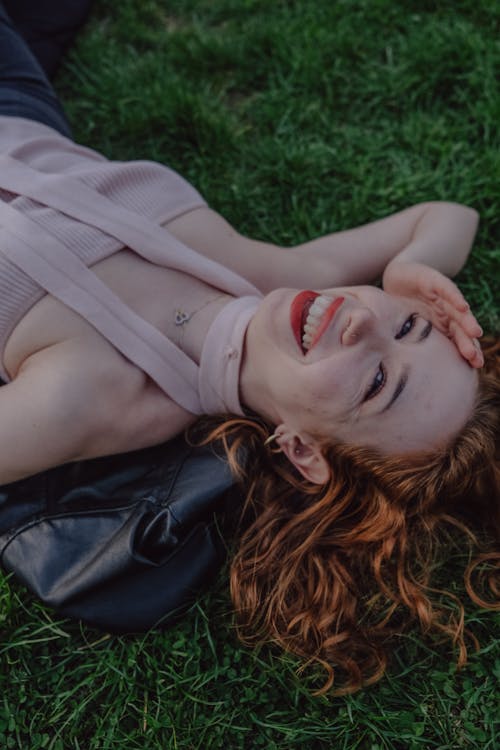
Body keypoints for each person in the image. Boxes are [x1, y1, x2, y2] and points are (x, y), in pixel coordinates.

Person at [0, 1, 498, 693]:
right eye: (408, 326)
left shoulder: (96, 396)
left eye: (377, 382)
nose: (363, 324)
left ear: (302, 449)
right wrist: (409, 276)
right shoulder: (276, 275)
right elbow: (450, 216)